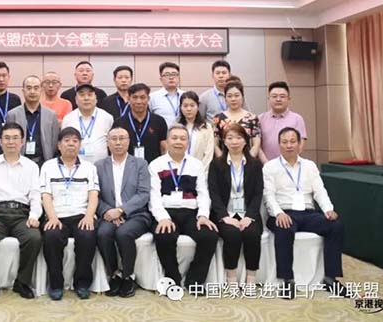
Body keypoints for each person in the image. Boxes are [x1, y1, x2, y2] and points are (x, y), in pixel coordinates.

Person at [263, 127, 348, 299]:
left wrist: (328, 209)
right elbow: (268, 195)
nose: (289, 145)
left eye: (292, 141)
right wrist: (278, 213)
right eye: (284, 142)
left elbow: (320, 191)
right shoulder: (270, 167)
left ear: (300, 144)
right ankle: (287, 280)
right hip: (283, 212)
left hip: (308, 213)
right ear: (279, 145)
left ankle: (330, 278)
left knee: (335, 226)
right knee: (284, 228)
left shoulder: (309, 166)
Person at [0, 123, 42, 301]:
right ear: (0, 141)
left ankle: (22, 282)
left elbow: (36, 195)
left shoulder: (31, 166)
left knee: (34, 237)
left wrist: (34, 216)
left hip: (22, 215)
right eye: (7, 138)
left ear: (22, 141)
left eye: (15, 138)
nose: (11, 142)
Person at [149, 125, 218, 294]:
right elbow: (154, 196)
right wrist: (163, 218)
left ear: (188, 143)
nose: (178, 142)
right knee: (164, 235)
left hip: (190, 212)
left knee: (209, 235)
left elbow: (203, 193)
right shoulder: (156, 164)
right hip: (166, 211)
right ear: (167, 141)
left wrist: (203, 215)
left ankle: (195, 280)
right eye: (174, 138)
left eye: (182, 138)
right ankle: (173, 280)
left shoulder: (196, 165)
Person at [40, 127, 100, 300]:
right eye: (67, 141)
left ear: (80, 145)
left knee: (87, 235)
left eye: (75, 141)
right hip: (57, 215)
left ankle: (82, 283)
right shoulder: (48, 166)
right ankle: (56, 284)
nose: (71, 144)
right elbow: (45, 195)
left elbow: (93, 194)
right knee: (51, 236)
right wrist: (52, 217)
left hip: (81, 214)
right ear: (59, 145)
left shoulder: (89, 168)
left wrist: (89, 216)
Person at [94, 126, 151, 298]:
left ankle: (128, 276)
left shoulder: (140, 164)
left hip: (136, 214)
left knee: (124, 233)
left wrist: (121, 211)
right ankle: (114, 274)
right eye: (114, 139)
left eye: (122, 138)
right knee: (103, 233)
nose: (118, 142)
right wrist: (108, 211)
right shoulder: (99, 166)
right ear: (107, 143)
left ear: (128, 141)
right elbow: (95, 195)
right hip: (108, 214)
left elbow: (143, 193)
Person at [207, 124, 263, 292]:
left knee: (252, 234)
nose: (234, 141)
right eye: (230, 138)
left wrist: (250, 216)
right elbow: (214, 193)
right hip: (226, 213)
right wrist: (225, 217)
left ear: (246, 141)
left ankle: (251, 279)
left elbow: (258, 194)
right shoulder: (216, 164)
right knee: (232, 235)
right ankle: (231, 279)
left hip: (248, 213)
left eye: (239, 137)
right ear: (224, 141)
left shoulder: (255, 165)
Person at [7, 75, 60, 166]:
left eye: (36, 88)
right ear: (23, 91)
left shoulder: (51, 115)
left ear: (41, 90)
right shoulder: (12, 114)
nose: (32, 91)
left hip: (43, 163)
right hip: (19, 163)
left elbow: (54, 142)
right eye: (29, 88)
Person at [112, 83, 168, 163]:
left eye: (142, 97)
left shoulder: (159, 121)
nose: (139, 101)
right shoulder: (119, 123)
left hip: (153, 167)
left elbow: (164, 148)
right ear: (128, 99)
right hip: (127, 167)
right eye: (135, 97)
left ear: (148, 99)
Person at [61, 84, 114, 164]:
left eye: (90, 95)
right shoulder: (68, 119)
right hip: (76, 166)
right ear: (76, 100)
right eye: (82, 95)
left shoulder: (107, 118)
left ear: (96, 99)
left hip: (101, 166)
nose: (86, 98)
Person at [258, 81, 308, 163]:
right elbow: (257, 145)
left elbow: (300, 145)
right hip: (264, 165)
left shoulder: (297, 119)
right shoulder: (260, 118)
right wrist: (267, 164)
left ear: (289, 99)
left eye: (282, 96)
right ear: (269, 98)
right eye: (274, 96)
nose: (278, 99)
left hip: (289, 165)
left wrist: (285, 164)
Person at [212, 80, 261, 159]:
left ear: (242, 97)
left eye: (237, 95)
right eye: (229, 96)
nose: (233, 99)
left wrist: (248, 160)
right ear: (225, 99)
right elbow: (215, 144)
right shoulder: (218, 118)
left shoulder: (252, 118)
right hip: (224, 161)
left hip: (247, 161)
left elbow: (256, 144)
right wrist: (222, 160)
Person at [177, 91, 214, 173]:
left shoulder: (206, 127)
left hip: (200, 171)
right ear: (180, 107)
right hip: (179, 171)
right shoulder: (176, 127)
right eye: (185, 106)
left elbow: (209, 154)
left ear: (198, 107)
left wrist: (200, 172)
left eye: (192, 105)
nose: (189, 109)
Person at [149, 62, 185, 127]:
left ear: (179, 77)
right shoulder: (152, 97)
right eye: (167, 74)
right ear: (161, 79)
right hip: (162, 133)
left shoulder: (185, 95)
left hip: (184, 132)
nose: (171, 77)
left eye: (174, 74)